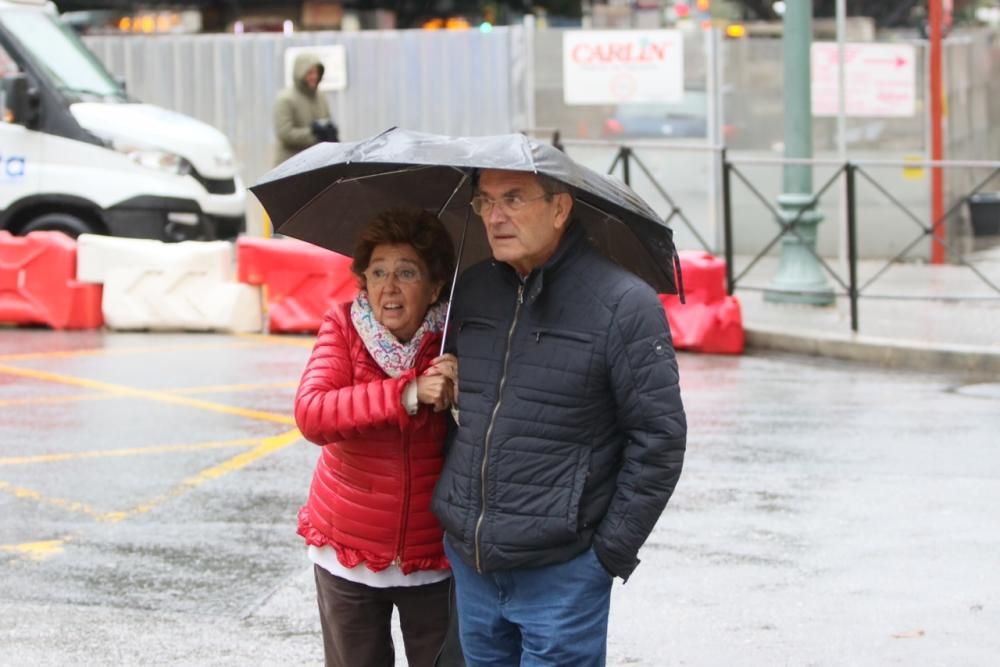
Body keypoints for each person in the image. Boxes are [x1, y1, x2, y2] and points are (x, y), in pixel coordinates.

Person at [431, 169, 687, 665]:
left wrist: (606, 556)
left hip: (563, 571)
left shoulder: (623, 303)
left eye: (513, 199)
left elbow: (659, 439)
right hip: (473, 564)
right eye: (485, 202)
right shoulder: (474, 290)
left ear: (560, 208)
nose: (495, 216)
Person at [294, 208, 460, 667]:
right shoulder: (343, 326)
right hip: (347, 545)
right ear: (362, 280)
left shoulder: (457, 337)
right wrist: (404, 393)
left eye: (406, 272)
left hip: (434, 552)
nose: (389, 287)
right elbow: (312, 413)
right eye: (378, 272)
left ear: (435, 286)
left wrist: (466, 391)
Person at [273, 52, 338, 165]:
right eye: (310, 72)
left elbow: (327, 120)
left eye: (316, 72)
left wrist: (330, 133)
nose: (314, 76)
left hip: (314, 163)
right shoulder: (286, 99)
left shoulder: (320, 97)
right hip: (289, 165)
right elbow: (285, 134)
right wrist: (314, 134)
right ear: (300, 73)